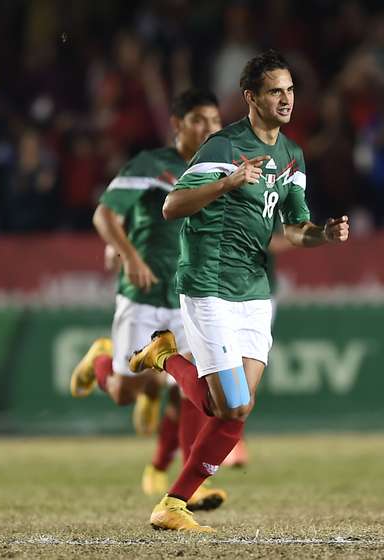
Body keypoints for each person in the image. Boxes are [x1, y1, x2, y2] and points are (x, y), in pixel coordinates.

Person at [129, 50, 350, 532]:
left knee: (233, 409)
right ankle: (165, 360)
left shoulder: (291, 155)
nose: (287, 99)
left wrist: (323, 235)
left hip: (253, 290)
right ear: (251, 97)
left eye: (291, 90)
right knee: (232, 404)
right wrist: (228, 183)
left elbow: (294, 228)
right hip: (207, 284)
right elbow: (172, 205)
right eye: (276, 90)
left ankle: (172, 503)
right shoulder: (223, 146)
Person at [68, 89, 226, 510]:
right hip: (142, 295)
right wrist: (128, 252)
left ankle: (190, 483)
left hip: (188, 297)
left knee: (196, 386)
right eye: (198, 120)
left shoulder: (219, 172)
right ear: (177, 124)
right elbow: (105, 214)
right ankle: (102, 359)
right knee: (124, 392)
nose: (209, 128)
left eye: (214, 120)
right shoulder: (152, 165)